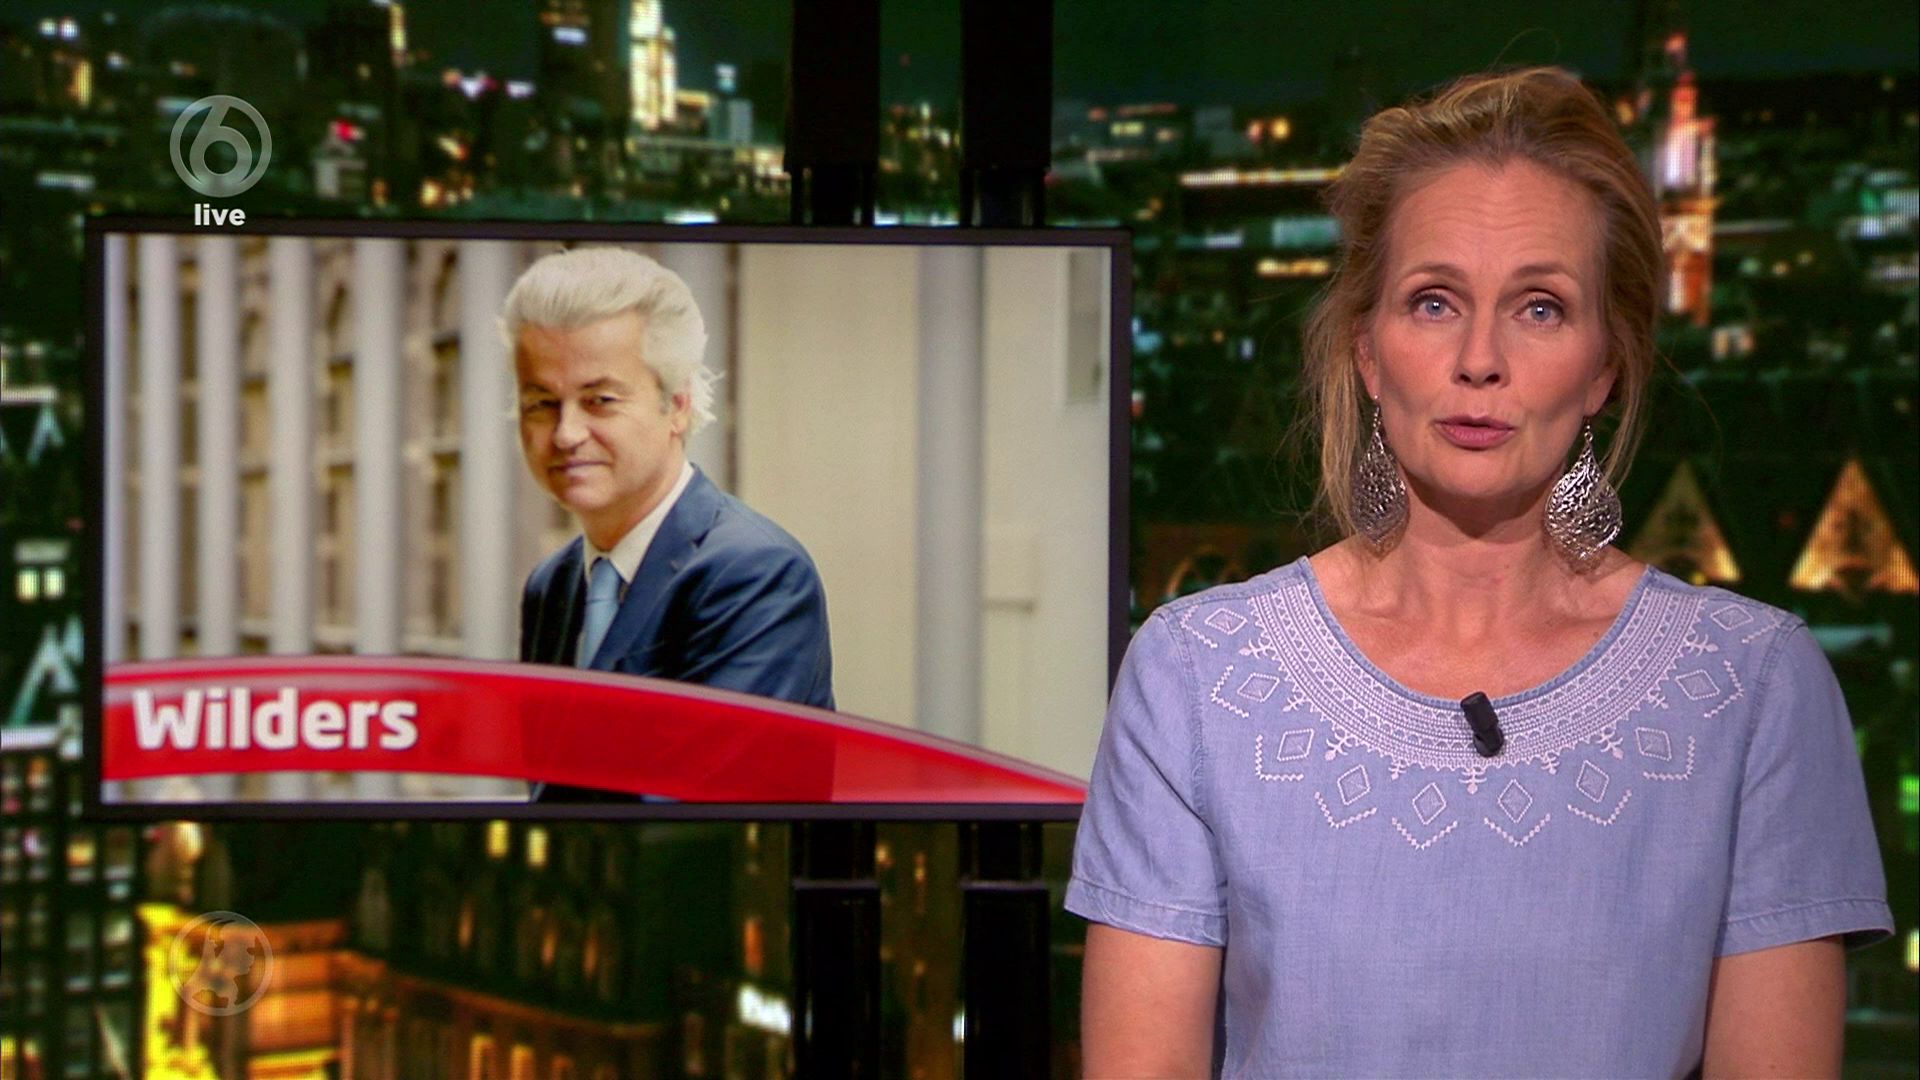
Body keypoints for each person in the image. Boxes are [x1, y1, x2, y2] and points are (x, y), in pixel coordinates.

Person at [1068, 67, 1892, 1077]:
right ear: (1368, 351)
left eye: (1540, 308)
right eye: (1433, 303)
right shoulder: (1197, 675)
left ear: (1605, 366)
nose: (1480, 359)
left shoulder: (1751, 688)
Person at [503, 246, 834, 802]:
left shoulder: (757, 575)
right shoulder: (552, 586)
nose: (565, 434)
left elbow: (691, 818)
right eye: (542, 403)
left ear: (677, 406)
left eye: (599, 400)